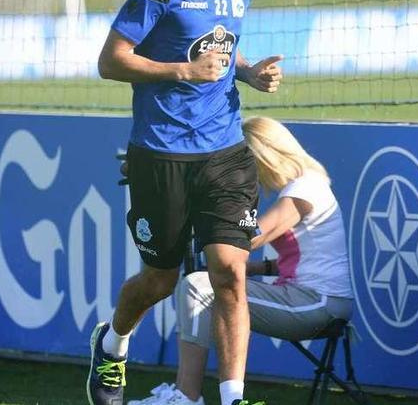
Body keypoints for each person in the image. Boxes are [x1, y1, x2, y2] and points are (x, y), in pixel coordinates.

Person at [89, 0, 284, 404]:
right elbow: (111, 61)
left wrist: (248, 73)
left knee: (229, 273)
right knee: (159, 281)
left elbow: (222, 46)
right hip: (161, 154)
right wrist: (183, 71)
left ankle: (233, 397)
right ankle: (112, 344)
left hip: (225, 152)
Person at [127, 116, 354, 405]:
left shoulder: (306, 187)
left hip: (319, 305)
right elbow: (307, 257)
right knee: (202, 285)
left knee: (198, 286)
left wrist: (203, 219)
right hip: (315, 300)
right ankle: (186, 394)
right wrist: (257, 268)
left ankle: (186, 396)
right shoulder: (306, 185)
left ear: (263, 154)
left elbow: (255, 235)